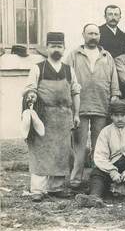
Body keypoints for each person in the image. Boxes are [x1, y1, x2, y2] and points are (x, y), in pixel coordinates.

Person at [24, 32, 81, 202]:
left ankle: (56, 188)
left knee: (62, 152)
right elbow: (30, 88)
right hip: (43, 116)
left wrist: (76, 114)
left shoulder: (68, 70)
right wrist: (31, 95)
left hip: (64, 116)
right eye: (53, 46)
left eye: (59, 46)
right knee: (40, 152)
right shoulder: (38, 68)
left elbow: (76, 92)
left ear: (64, 49)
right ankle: (38, 189)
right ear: (47, 48)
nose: (56, 49)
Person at [66, 23, 121, 189]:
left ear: (99, 36)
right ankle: (75, 180)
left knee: (100, 147)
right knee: (79, 146)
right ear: (83, 35)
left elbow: (114, 79)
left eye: (96, 34)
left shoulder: (106, 55)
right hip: (80, 107)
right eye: (90, 33)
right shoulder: (74, 55)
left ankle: (97, 181)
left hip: (101, 105)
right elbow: (67, 78)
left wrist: (115, 95)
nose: (93, 36)